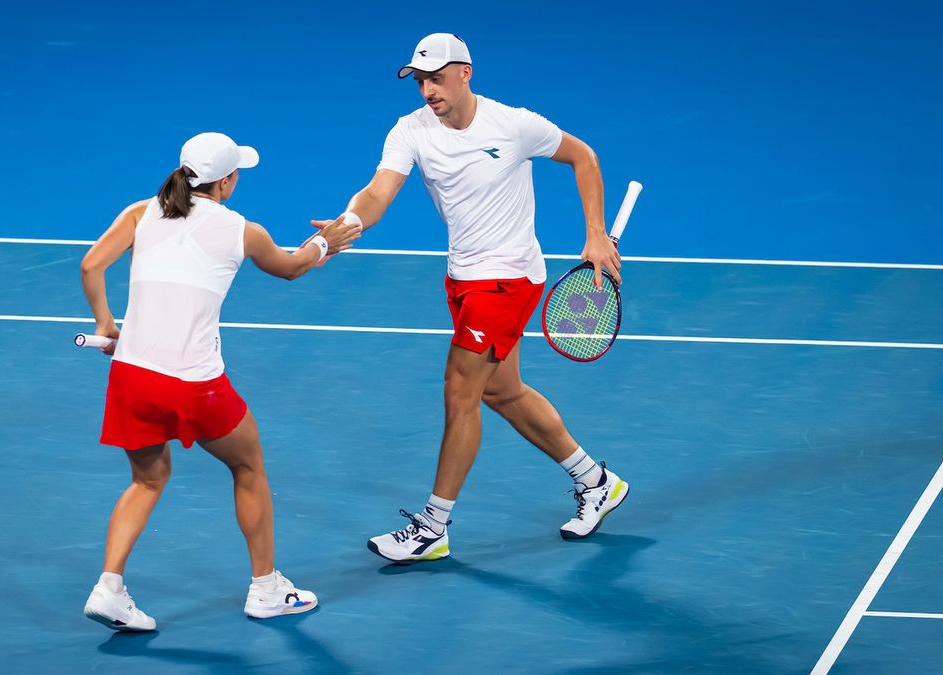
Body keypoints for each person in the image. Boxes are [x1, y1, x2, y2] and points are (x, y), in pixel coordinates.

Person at [312, 34, 630, 563]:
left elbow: (584, 157)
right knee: (502, 392)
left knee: (460, 390)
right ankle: (596, 481)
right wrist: (348, 224)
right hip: (463, 276)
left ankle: (433, 525)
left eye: (435, 77)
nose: (426, 89)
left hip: (508, 279)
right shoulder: (410, 130)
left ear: (466, 73)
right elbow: (378, 190)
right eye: (419, 79)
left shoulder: (514, 124)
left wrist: (595, 233)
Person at [79, 132, 360, 629]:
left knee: (147, 479)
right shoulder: (241, 229)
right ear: (226, 181)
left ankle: (109, 587)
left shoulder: (140, 212)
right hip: (193, 384)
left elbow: (91, 265)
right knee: (248, 465)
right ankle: (267, 589)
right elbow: (292, 268)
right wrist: (327, 242)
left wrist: (106, 325)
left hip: (131, 377)